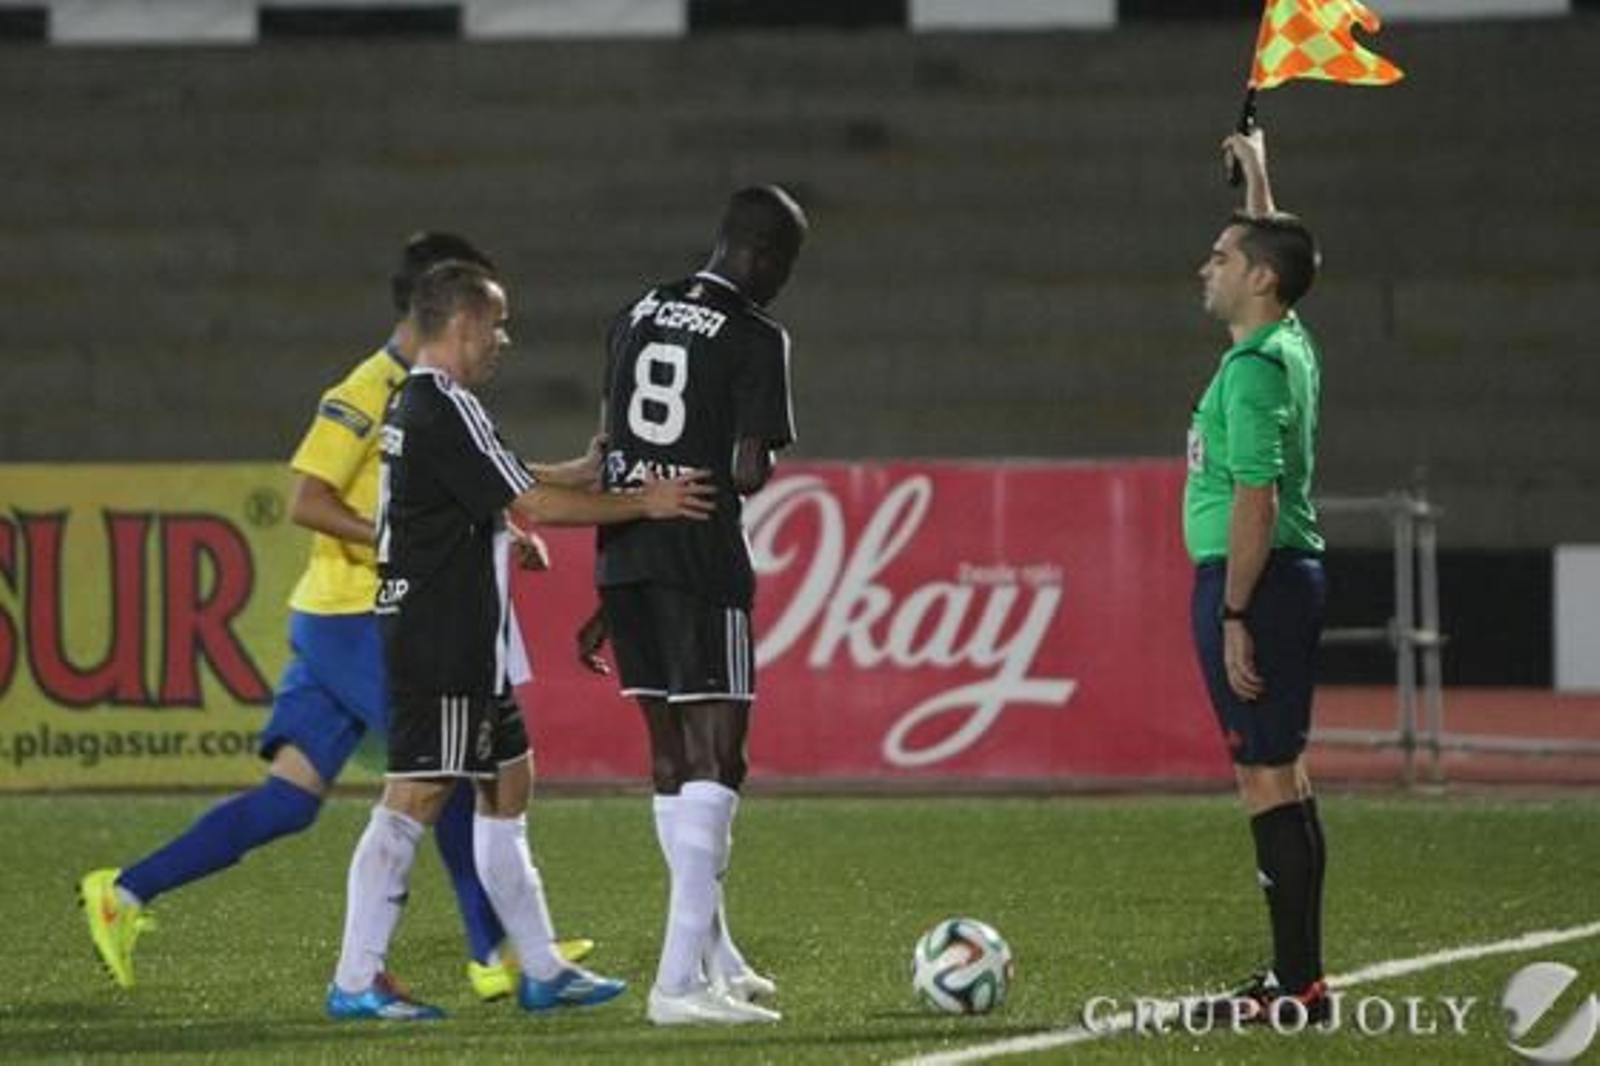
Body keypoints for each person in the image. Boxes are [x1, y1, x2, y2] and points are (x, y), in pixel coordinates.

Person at [78, 233, 591, 1000]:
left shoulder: (428, 393)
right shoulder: (367, 390)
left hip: (343, 618)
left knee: (289, 801)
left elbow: (474, 475)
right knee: (445, 774)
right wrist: (403, 545)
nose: (494, 332)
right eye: (484, 311)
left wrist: (520, 503)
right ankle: (497, 952)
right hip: (355, 618)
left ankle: (123, 892)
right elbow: (307, 501)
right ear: (442, 307)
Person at [326, 260, 715, 1020]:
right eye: (497, 324)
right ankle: (356, 978)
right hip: (440, 635)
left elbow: (493, 479)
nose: (504, 339)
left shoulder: (422, 402)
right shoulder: (445, 401)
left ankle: (541, 969)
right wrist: (648, 502)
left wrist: (577, 474)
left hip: (467, 639)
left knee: (509, 781)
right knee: (415, 795)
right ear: (463, 324)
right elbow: (534, 499)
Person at [581, 185, 807, 1026]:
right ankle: (676, 985)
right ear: (766, 256)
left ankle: (716, 957)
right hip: (699, 558)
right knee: (718, 762)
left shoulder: (633, 313)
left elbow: (610, 447)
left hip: (624, 555)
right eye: (787, 265)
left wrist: (606, 591)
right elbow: (746, 471)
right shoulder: (755, 334)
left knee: (672, 763)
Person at [1185, 128, 1330, 1026]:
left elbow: (1256, 500)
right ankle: (1298, 979)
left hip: (1257, 584)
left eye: (1223, 257)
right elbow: (1280, 248)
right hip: (1275, 582)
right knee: (1284, 774)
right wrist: (1260, 179)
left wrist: (1235, 612)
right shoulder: (1286, 341)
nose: (1208, 266)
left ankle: (1297, 986)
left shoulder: (1254, 371)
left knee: (1266, 780)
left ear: (1261, 280)